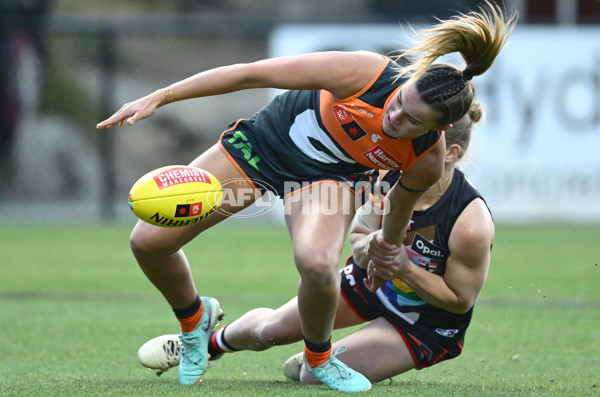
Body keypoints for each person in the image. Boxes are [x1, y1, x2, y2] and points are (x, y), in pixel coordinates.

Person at [97, 1, 515, 392]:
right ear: (407, 84)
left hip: (327, 180)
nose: (396, 117)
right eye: (401, 102)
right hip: (260, 149)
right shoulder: (363, 73)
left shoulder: (426, 157)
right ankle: (194, 320)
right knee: (148, 243)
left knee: (317, 264)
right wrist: (162, 96)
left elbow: (398, 211)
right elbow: (249, 74)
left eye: (412, 120)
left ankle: (319, 358)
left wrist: (386, 252)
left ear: (437, 131)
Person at [138, 103, 494, 385]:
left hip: (424, 324)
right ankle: (208, 343)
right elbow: (358, 237)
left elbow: (461, 301)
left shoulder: (470, 223)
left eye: (420, 145)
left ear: (449, 154)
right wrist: (369, 247)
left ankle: (341, 356)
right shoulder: (389, 176)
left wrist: (405, 269)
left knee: (310, 375)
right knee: (269, 331)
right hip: (370, 285)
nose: (405, 149)